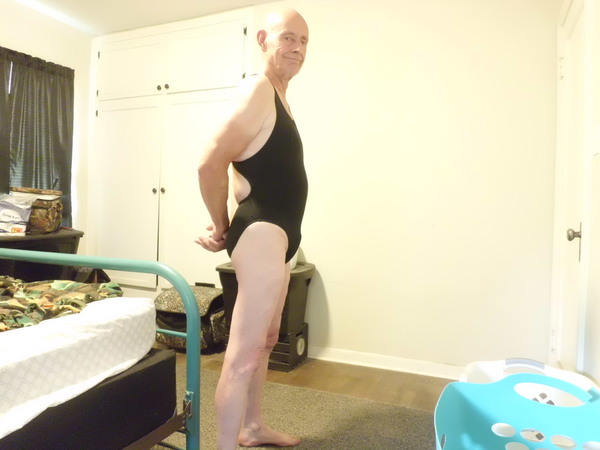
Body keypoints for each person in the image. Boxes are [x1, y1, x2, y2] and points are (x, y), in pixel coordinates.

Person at [195, 9, 309, 449]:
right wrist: (222, 226)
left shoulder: (280, 96)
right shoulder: (258, 88)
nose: (297, 48)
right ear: (263, 39)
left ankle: (252, 427)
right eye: (287, 38)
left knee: (267, 340)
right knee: (243, 355)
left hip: (282, 234)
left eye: (303, 41)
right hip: (261, 231)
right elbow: (210, 163)